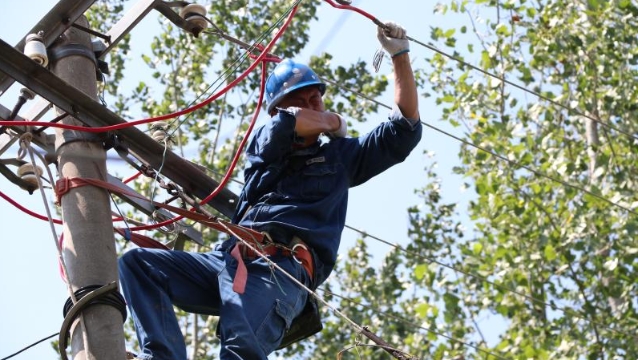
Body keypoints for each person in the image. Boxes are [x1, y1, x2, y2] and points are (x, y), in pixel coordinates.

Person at [118, 21, 422, 360]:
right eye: (302, 100)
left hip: (280, 269)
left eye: (316, 98)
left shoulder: (339, 157)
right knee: (138, 264)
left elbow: (404, 128)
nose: (313, 104)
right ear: (279, 108)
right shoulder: (265, 145)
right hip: (227, 259)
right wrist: (333, 122)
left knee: (240, 350)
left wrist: (400, 57)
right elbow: (286, 125)